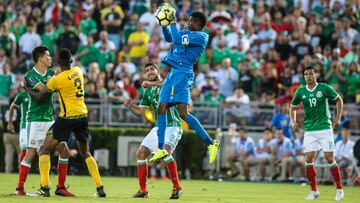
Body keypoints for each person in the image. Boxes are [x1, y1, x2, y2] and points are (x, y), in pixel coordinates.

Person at [150, 3, 219, 163]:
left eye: (191, 21)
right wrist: (164, 25)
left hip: (183, 72)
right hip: (174, 72)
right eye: (188, 21)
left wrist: (172, 21)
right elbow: (169, 38)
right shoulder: (188, 32)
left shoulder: (201, 37)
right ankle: (161, 148)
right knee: (162, 109)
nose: (188, 23)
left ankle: (211, 143)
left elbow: (176, 39)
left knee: (182, 113)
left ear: (199, 24)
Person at [32, 48, 106, 197]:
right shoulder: (78, 70)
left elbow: (41, 96)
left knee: (44, 149)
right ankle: (100, 188)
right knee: (86, 152)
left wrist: (29, 87)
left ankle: (44, 188)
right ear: (71, 61)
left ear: (59, 62)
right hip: (82, 116)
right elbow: (67, 76)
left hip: (67, 118)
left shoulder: (56, 80)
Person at [124, 63, 183, 199]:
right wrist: (131, 105)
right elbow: (141, 111)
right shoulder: (147, 91)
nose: (149, 72)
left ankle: (177, 187)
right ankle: (143, 190)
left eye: (152, 69)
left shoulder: (166, 82)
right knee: (141, 152)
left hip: (173, 125)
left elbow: (168, 85)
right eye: (146, 71)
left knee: (165, 152)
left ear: (158, 71)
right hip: (159, 127)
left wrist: (150, 84)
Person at [289, 65, 344, 200]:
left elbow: (339, 100)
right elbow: (293, 107)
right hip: (310, 130)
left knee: (329, 158)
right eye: (306, 74)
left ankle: (339, 189)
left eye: (310, 74)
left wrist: (337, 118)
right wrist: (293, 121)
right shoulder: (300, 91)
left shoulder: (324, 88)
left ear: (316, 75)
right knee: (308, 159)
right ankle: (314, 191)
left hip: (325, 128)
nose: (308, 76)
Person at [14, 46, 62, 196]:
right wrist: (50, 84)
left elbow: (53, 87)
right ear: (40, 58)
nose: (51, 58)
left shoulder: (51, 73)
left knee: (61, 149)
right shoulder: (30, 75)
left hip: (50, 119)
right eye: (48, 56)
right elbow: (43, 91)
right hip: (35, 119)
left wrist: (51, 83)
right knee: (31, 153)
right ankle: (20, 188)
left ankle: (54, 187)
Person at [7, 84, 28, 170]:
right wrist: (10, 122)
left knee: (42, 151)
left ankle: (42, 176)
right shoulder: (22, 95)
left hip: (37, 125)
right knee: (23, 149)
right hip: (24, 126)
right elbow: (12, 107)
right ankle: (21, 173)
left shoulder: (38, 94)